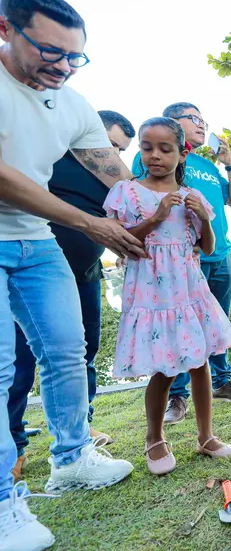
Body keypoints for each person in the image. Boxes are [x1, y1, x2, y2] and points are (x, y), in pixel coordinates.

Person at [0, 0, 138, 548]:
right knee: (2, 368)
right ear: (6, 29)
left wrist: (170, 207)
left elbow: (115, 174)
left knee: (66, 348)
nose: (64, 67)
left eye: (74, 55)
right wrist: (89, 223)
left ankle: (73, 456)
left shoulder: (74, 103)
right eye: (50, 52)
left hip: (34, 243)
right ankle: (5, 505)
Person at [8, 110, 135, 483]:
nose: (113, 154)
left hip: (85, 274)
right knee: (18, 363)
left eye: (120, 150)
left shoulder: (113, 179)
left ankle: (80, 432)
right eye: (110, 144)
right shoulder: (51, 158)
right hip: (30, 275)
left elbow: (129, 211)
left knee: (81, 353)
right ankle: (14, 445)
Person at [108, 117, 231, 475]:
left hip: (188, 288)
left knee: (200, 363)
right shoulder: (127, 192)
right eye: (147, 147)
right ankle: (155, 438)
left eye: (165, 149)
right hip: (153, 293)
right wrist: (156, 216)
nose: (155, 156)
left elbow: (207, 247)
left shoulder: (191, 197)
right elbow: (125, 241)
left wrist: (205, 220)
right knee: (165, 368)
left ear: (182, 154)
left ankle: (206, 436)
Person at [133, 102, 231, 426]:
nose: (202, 125)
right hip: (182, 259)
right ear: (174, 123)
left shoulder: (207, 165)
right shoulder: (156, 157)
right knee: (182, 329)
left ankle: (223, 382)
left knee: (215, 323)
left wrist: (229, 165)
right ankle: (178, 396)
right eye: (195, 119)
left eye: (204, 120)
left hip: (219, 252)